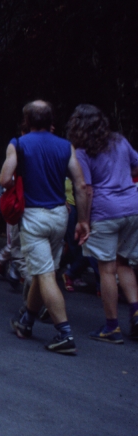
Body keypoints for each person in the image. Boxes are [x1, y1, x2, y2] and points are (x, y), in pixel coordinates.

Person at [1, 100, 90, 355]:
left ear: (26, 121)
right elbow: (81, 186)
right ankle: (26, 322)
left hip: (33, 217)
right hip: (60, 216)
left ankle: (65, 334)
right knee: (45, 271)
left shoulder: (18, 144)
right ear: (51, 120)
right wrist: (83, 221)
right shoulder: (65, 146)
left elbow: (6, 179)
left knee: (45, 275)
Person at [65, 104, 138, 344]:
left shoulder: (82, 152)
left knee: (107, 269)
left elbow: (86, 188)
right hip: (132, 207)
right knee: (123, 262)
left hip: (106, 212)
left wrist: (83, 221)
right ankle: (136, 315)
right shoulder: (119, 140)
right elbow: (136, 164)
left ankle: (111, 327)